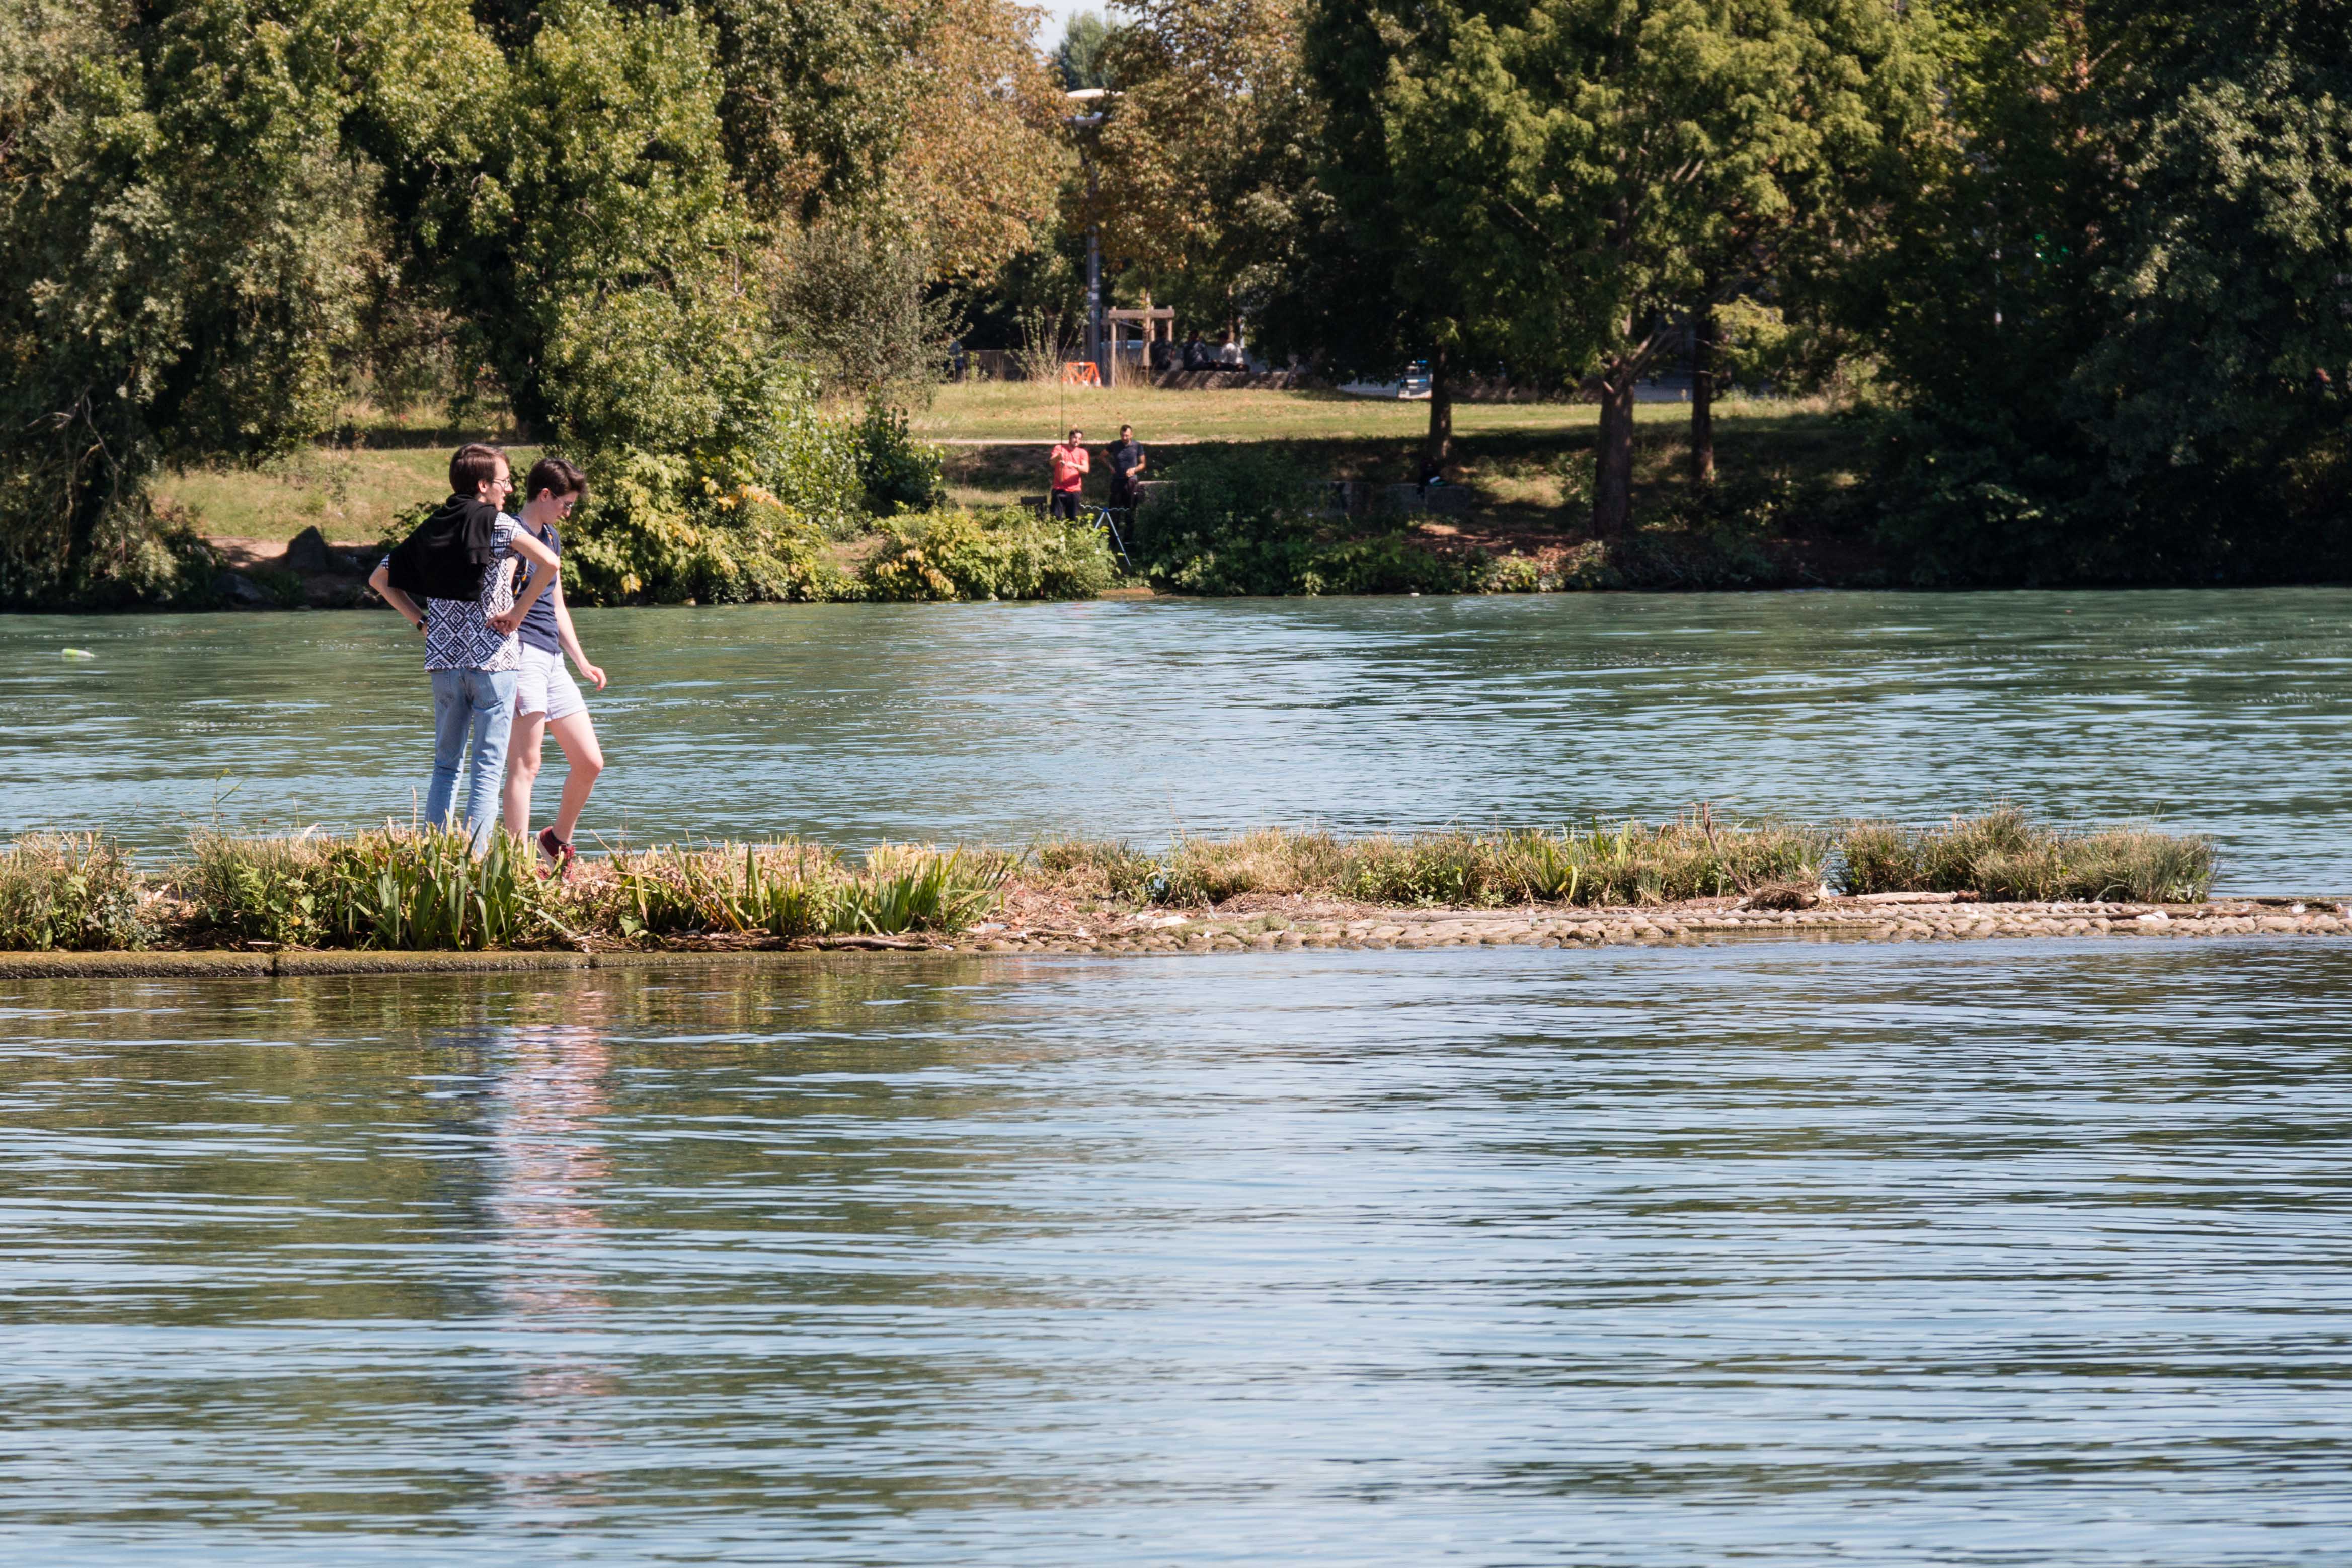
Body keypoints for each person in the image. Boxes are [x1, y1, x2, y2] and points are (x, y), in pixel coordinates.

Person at [369, 443, 561, 856]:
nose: (508, 489)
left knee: (445, 767)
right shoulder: (499, 525)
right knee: (488, 769)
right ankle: (476, 863)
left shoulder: (431, 528)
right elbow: (550, 563)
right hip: (494, 662)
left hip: (444, 664)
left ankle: (434, 862)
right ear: (482, 484)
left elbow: (379, 580)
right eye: (504, 481)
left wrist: (421, 621)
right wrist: (518, 612)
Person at [499, 456, 607, 878]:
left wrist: (581, 660)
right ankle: (513, 865)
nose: (568, 511)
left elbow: (557, 605)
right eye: (565, 504)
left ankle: (554, 842)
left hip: (553, 660)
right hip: (521, 655)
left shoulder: (552, 538)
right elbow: (498, 596)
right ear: (544, 495)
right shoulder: (510, 534)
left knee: (589, 762)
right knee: (527, 764)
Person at [1048, 428, 1090, 520]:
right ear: (1069, 438)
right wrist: (1059, 457)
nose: (1077, 441)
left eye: (1079, 439)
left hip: (1074, 490)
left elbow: (1086, 469)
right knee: (1055, 518)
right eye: (1075, 438)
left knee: (1072, 519)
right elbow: (1051, 463)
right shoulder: (1059, 448)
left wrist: (1075, 466)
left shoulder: (1082, 453)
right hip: (1059, 489)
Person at [1107, 424, 1146, 510]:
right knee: (1114, 509)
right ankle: (1113, 524)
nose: (1124, 438)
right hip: (1117, 480)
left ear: (1131, 435)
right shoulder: (1115, 445)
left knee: (1130, 508)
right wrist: (1110, 467)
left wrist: (1134, 470)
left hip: (1131, 481)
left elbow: (1143, 464)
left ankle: (1130, 524)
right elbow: (1101, 457)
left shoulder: (1137, 446)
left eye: (1127, 436)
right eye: (1122, 435)